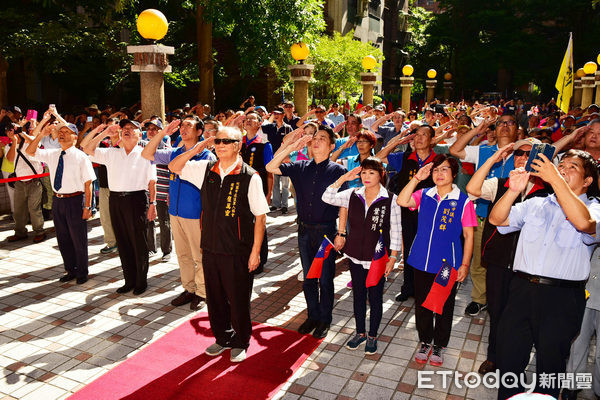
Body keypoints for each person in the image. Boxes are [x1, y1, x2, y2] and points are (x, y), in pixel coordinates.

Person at [488, 149, 600, 399]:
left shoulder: (594, 208)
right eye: (562, 165)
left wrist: (557, 181)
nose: (563, 169)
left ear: (588, 180)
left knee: (550, 365)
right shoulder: (537, 202)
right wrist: (514, 190)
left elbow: (583, 224)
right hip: (521, 289)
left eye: (573, 167)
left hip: (561, 297)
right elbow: (497, 219)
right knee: (509, 359)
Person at [169, 126, 268, 363]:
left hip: (237, 251)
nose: (220, 144)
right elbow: (174, 167)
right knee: (214, 298)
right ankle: (222, 337)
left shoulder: (249, 176)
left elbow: (260, 217)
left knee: (238, 298)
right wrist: (199, 147)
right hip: (210, 247)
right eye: (218, 141)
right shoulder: (205, 169)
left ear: (237, 145)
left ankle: (241, 340)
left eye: (226, 141)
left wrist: (255, 253)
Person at [466, 138, 552, 375]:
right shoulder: (502, 183)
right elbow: (472, 189)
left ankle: (516, 362)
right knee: (497, 312)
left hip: (531, 268)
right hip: (499, 262)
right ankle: (494, 357)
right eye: (519, 155)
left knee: (522, 317)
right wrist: (493, 159)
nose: (523, 159)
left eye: (529, 154)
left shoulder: (551, 191)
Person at [266, 126, 346, 339]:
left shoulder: (337, 171)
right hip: (304, 230)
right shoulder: (300, 166)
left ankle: (325, 319)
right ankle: (312, 315)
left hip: (327, 231)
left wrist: (342, 233)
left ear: (331, 146)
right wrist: (291, 146)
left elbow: (345, 204)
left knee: (326, 278)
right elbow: (271, 166)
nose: (317, 141)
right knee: (309, 277)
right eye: (315, 138)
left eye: (322, 138)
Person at [397, 154, 476, 367]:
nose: (439, 174)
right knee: (422, 304)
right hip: (421, 260)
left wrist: (465, 265)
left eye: (444, 170)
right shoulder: (425, 194)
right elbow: (402, 200)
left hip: (447, 264)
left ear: (454, 174)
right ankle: (425, 341)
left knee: (443, 305)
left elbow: (469, 236)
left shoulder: (463, 201)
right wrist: (416, 179)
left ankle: (440, 344)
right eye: (435, 170)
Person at [322, 158, 401, 355]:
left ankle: (373, 335)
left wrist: (393, 257)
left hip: (377, 258)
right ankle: (360, 332)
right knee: (358, 296)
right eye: (364, 172)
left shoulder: (391, 199)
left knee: (375, 298)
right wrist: (343, 179)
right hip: (355, 254)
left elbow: (397, 231)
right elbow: (327, 197)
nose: (366, 177)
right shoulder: (353, 194)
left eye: (372, 173)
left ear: (381, 174)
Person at [142, 115, 216, 310]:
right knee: (183, 255)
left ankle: (202, 292)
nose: (184, 128)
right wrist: (162, 133)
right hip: (174, 212)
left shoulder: (206, 156)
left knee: (199, 255)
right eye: (182, 125)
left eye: (189, 126)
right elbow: (147, 154)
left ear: (199, 132)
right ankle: (189, 288)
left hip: (195, 214)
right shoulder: (174, 152)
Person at [450, 114, 518, 317]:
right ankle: (479, 299)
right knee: (479, 261)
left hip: (513, 219)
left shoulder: (524, 152)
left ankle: (506, 300)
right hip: (481, 215)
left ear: (518, 129)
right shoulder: (483, 151)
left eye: (510, 123)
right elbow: (455, 150)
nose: (505, 126)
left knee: (510, 263)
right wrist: (477, 130)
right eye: (500, 123)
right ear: (494, 130)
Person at [84, 119, 157, 295]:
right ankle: (129, 280)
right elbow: (86, 148)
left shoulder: (145, 153)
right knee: (123, 242)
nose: (127, 131)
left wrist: (153, 204)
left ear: (140, 135)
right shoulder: (112, 152)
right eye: (125, 128)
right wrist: (103, 132)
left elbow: (152, 182)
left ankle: (141, 281)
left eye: (132, 129)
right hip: (115, 199)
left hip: (136, 199)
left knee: (138, 242)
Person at [26, 112, 95, 284]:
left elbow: (89, 183)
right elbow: (30, 151)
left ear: (75, 136)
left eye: (66, 131)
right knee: (63, 238)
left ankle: (82, 272)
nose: (61, 133)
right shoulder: (53, 153)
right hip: (58, 200)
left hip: (75, 200)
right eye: (59, 131)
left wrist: (88, 207)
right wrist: (41, 134)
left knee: (78, 238)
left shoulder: (81, 156)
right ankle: (70, 269)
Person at [376, 125, 437, 302]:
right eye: (416, 135)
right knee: (409, 249)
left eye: (423, 135)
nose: (418, 138)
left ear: (432, 140)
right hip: (407, 212)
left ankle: (426, 289)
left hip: (431, 214)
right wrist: (399, 141)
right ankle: (408, 287)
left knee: (429, 250)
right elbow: (379, 156)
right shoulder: (404, 157)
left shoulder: (439, 160)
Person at [240, 111, 273, 274]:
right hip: (241, 188)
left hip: (259, 188)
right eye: (246, 119)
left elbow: (270, 171)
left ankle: (261, 258)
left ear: (260, 123)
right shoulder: (239, 142)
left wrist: (269, 194)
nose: (248, 121)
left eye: (252, 119)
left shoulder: (264, 144)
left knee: (259, 223)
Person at [5, 123, 46, 243]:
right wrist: (14, 141)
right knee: (18, 209)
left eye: (14, 129)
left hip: (34, 181)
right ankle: (20, 232)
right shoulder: (9, 145)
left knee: (34, 209)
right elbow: (10, 159)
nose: (13, 132)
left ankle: (39, 231)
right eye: (10, 130)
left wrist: (22, 133)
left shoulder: (29, 141)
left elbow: (37, 144)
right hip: (19, 182)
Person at [261, 107, 292, 213]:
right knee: (275, 182)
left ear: (283, 115)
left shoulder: (288, 128)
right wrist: (266, 117)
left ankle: (284, 205)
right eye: (274, 113)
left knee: (284, 183)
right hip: (272, 158)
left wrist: (288, 157)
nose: (276, 115)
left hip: (283, 159)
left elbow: (291, 142)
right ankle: (275, 204)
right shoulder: (270, 127)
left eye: (278, 113)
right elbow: (260, 126)